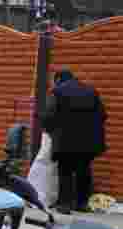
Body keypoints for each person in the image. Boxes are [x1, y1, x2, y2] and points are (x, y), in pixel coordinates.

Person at [44, 69, 107, 214]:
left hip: (66, 140)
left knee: (65, 171)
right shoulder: (91, 92)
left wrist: (50, 130)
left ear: (58, 79)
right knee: (84, 171)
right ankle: (82, 204)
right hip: (88, 141)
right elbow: (103, 115)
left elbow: (49, 115)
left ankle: (65, 204)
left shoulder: (58, 92)